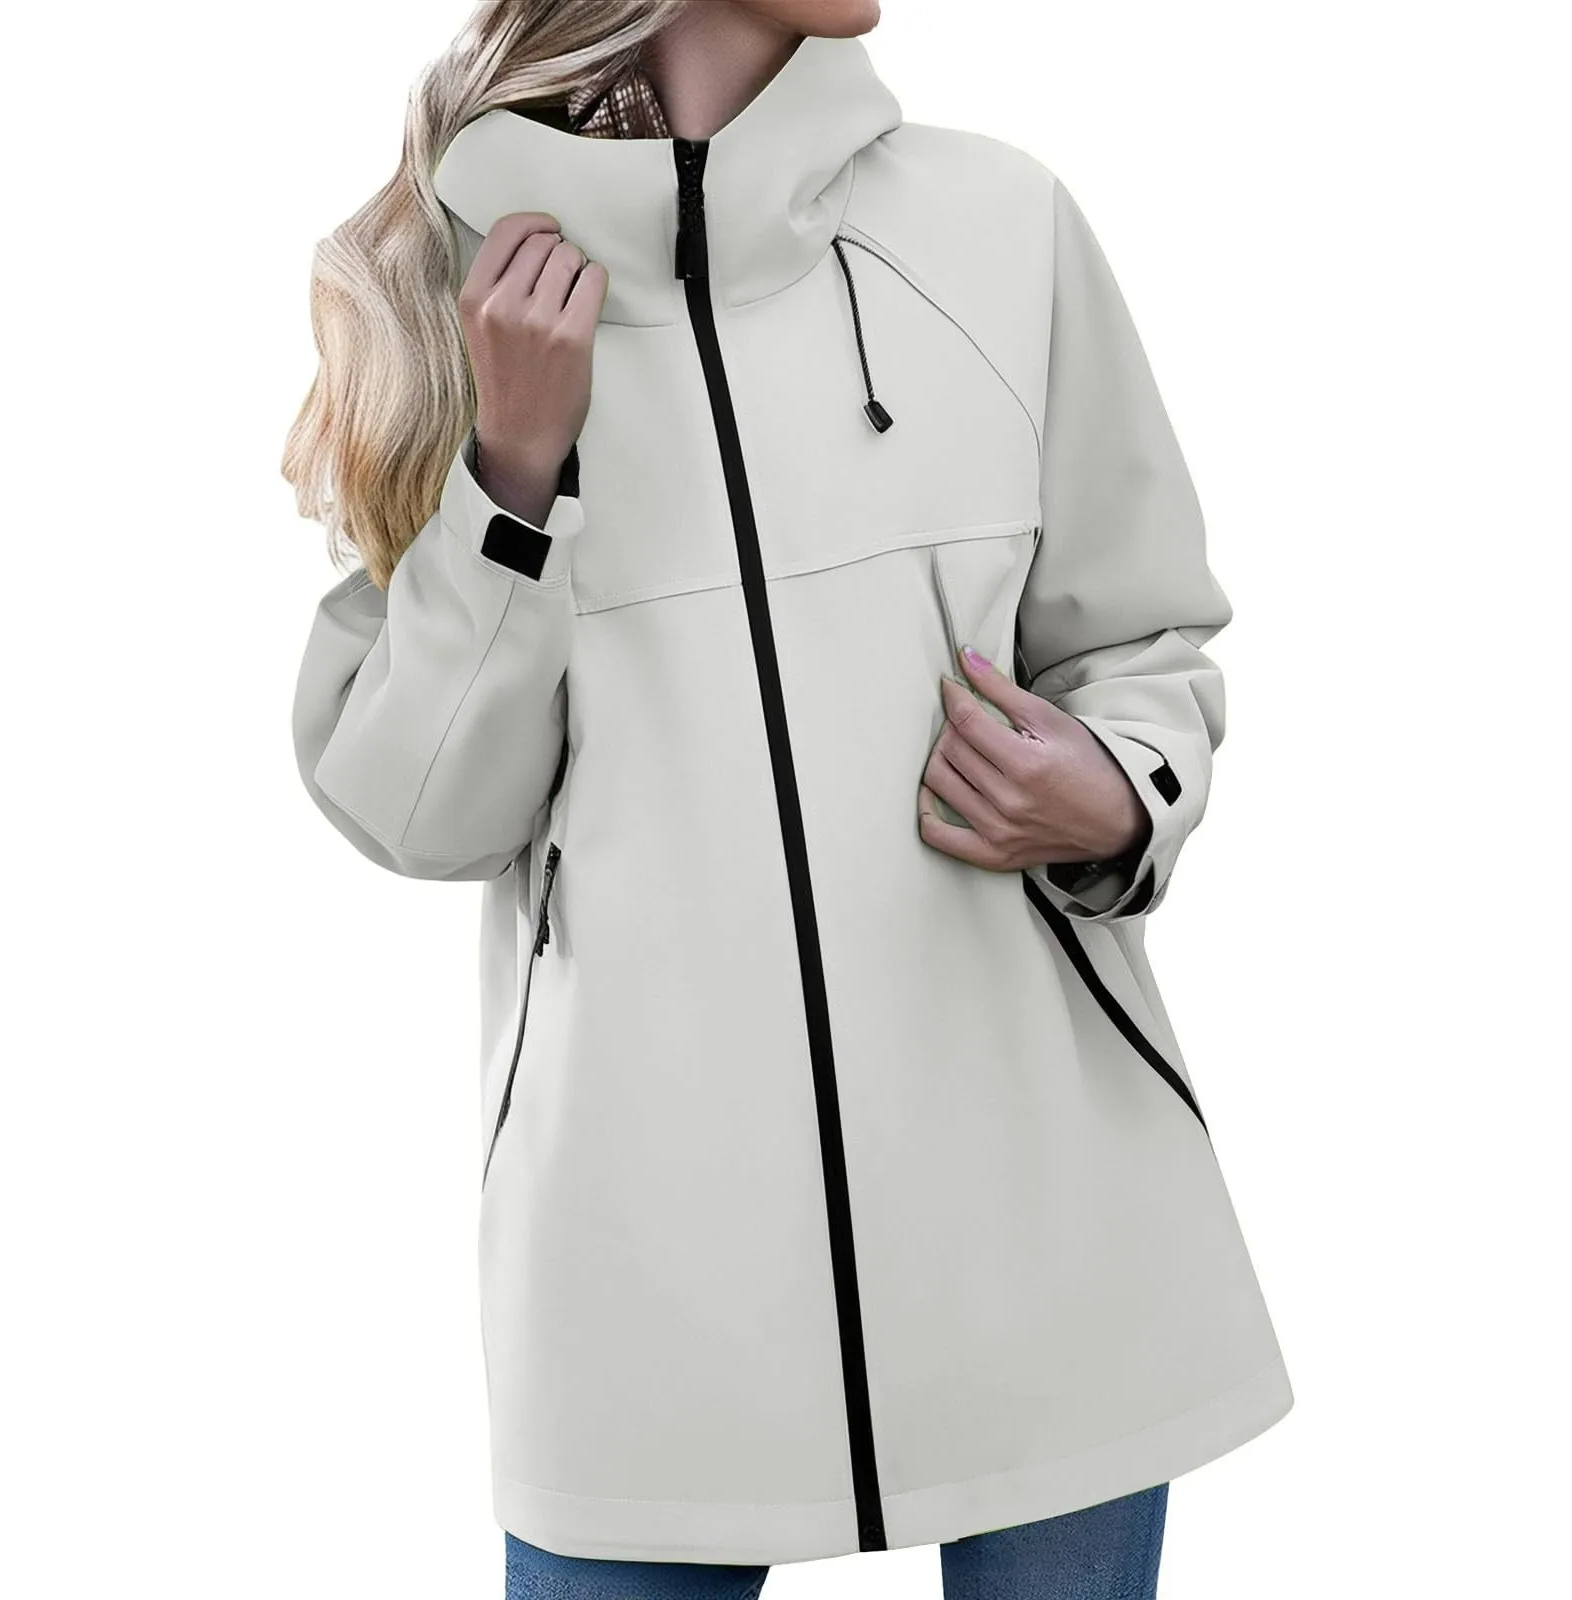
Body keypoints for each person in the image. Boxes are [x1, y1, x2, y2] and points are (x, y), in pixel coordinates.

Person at [283, 2, 1293, 1595]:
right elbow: (420, 809)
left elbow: (1143, 643)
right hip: (644, 1290)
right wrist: (513, 476)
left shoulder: (1000, 226)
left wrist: (1113, 792)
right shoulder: (455, 289)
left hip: (1051, 1234)